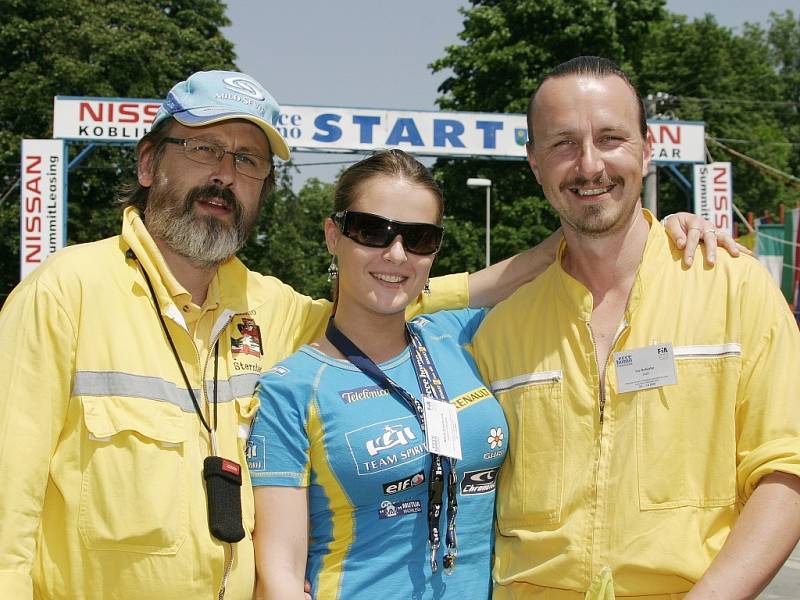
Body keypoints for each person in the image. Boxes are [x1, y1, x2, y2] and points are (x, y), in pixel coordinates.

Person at [0, 67, 730, 599]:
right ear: (149, 161)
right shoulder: (63, 295)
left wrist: (648, 232)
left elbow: (400, 298)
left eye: (247, 161)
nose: (224, 175)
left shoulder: (271, 306)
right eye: (201, 150)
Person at [247, 150, 731, 600]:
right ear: (334, 234)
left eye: (418, 238)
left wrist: (663, 229)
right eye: (372, 231)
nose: (396, 254)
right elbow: (280, 569)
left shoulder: (465, 337)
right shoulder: (292, 388)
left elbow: (560, 266)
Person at [472, 56, 800, 599]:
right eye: (562, 144)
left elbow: (786, 469)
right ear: (532, 162)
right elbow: (386, 302)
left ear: (647, 149)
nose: (589, 164)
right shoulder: (498, 328)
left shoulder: (733, 287)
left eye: (611, 138)